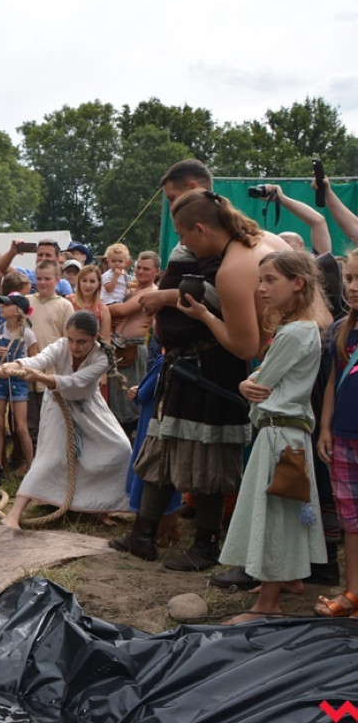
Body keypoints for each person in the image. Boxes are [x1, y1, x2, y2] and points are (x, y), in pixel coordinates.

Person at [117, 161, 290, 570]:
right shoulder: (211, 243)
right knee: (162, 446)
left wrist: (173, 299)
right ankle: (144, 533)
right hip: (180, 365)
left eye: (181, 229)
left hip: (212, 366)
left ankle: (206, 546)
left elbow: (230, 319)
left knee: (209, 453)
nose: (182, 240)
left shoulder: (230, 254)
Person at [218, 251, 325, 624]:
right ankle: (290, 578)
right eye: (260, 279)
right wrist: (250, 381)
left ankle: (268, 604)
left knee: (275, 514)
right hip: (287, 433)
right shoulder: (300, 328)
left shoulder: (295, 333)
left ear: (298, 283)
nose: (260, 288)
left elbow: (260, 383)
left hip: (280, 435)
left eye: (270, 280)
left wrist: (245, 381)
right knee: (287, 510)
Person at [0, 311, 132, 529]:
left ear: (95, 338)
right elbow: (39, 360)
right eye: (71, 339)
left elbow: (75, 382)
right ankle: (13, 515)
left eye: (81, 341)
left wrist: (40, 377)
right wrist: (17, 365)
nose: (74, 346)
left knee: (119, 448)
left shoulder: (102, 358)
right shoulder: (61, 346)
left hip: (89, 406)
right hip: (57, 404)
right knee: (50, 457)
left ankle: (99, 505)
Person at [314, 249, 358, 617]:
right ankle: (353, 593)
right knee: (350, 520)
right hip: (343, 437)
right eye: (349, 279)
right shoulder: (341, 330)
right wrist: (325, 427)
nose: (353, 287)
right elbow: (331, 382)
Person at [106, 251, 161, 430]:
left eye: (146, 269)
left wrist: (103, 310)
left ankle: (133, 440)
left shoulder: (153, 292)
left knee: (130, 400)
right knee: (116, 399)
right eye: (138, 267)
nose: (141, 272)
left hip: (135, 349)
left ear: (156, 272)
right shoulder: (129, 288)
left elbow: (121, 310)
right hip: (116, 347)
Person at [0, 294, 38, 476]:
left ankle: (32, 467)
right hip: (0, 381)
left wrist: (24, 372)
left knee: (21, 426)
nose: (1, 307)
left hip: (19, 382)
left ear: (17, 310)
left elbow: (35, 361)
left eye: (6, 305)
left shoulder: (28, 335)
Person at [26, 259, 74, 447]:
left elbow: (68, 340)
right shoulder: (28, 302)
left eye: (47, 278)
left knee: (51, 418)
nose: (43, 282)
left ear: (57, 279)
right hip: (29, 369)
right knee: (31, 417)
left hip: (52, 372)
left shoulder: (64, 306)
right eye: (39, 278)